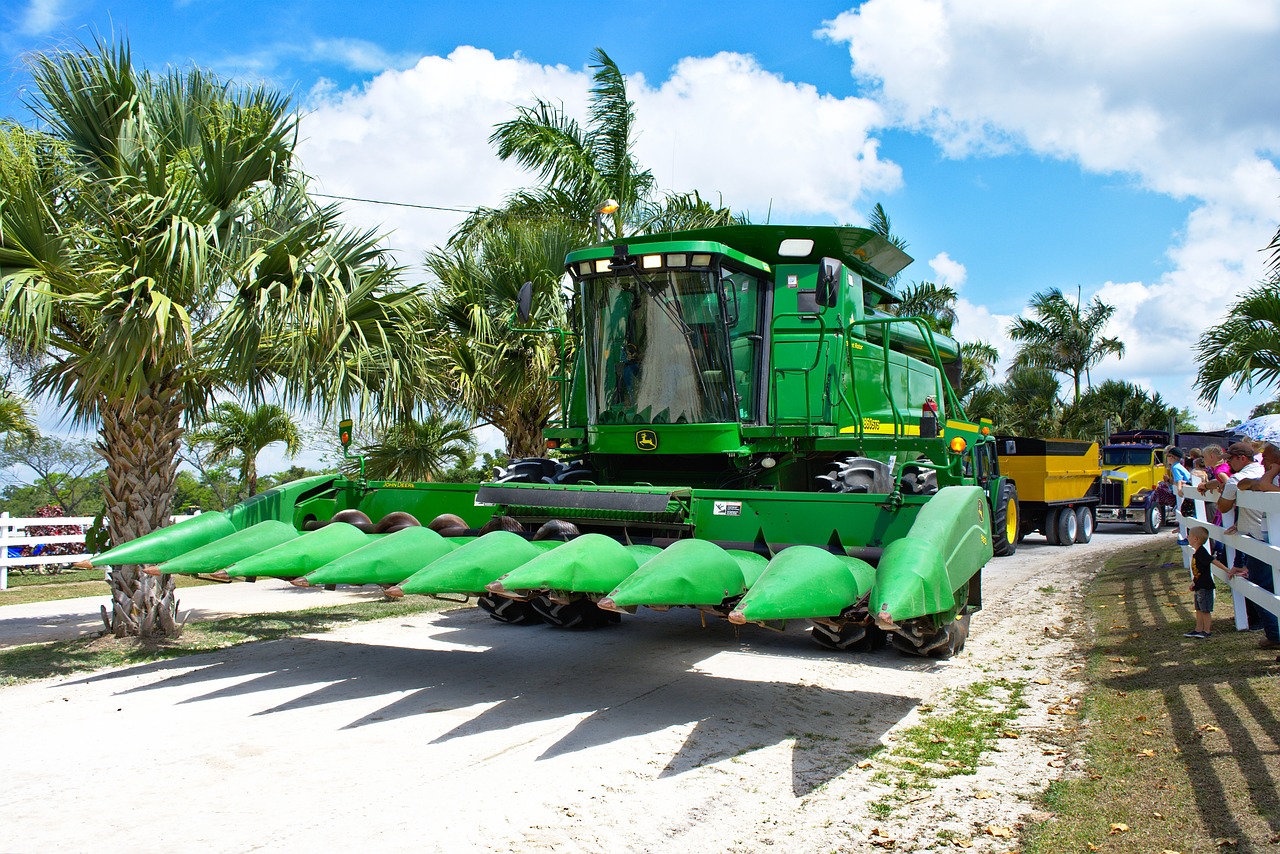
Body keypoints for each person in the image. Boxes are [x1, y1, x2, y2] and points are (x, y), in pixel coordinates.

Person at [1218, 441, 1278, 649]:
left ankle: (1274, 634)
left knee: (1263, 586)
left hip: (1261, 535)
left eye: (1268, 458)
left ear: (1241, 458)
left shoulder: (1238, 478)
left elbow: (1223, 506)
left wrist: (1224, 487)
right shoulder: (1261, 472)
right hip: (1261, 532)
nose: (1265, 461)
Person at [1184, 525, 1224, 638]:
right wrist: (1194, 583)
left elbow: (1213, 561)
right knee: (1198, 608)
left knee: (1205, 609)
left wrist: (1227, 570)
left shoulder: (1202, 552)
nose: (1187, 537)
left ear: (1196, 539)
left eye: (1190, 535)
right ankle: (1198, 629)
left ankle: (1207, 631)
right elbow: (1199, 572)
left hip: (1205, 586)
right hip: (1199, 586)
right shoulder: (1197, 552)